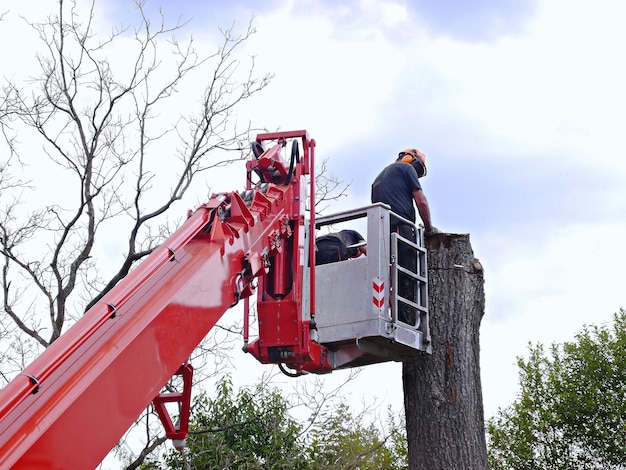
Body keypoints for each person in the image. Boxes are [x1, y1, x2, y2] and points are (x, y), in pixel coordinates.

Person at [371, 148, 437, 324]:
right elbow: (420, 200)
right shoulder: (406, 169)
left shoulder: (378, 178)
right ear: (412, 160)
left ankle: (390, 316)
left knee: (389, 275)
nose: (417, 173)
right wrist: (429, 228)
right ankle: (406, 321)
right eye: (419, 169)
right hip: (401, 227)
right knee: (406, 274)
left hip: (383, 231)